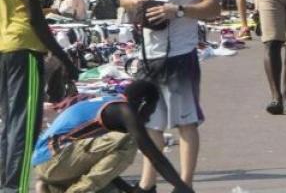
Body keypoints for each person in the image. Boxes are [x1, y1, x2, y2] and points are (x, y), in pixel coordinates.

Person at [116, 0, 219, 192]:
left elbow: (213, 7)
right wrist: (137, 1)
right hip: (149, 55)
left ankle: (184, 184)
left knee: (186, 123)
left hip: (180, 55)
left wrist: (179, 10)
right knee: (151, 125)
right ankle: (147, 184)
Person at [0, 0, 78, 193]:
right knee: (24, 126)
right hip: (25, 49)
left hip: (3, 46)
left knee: (9, 122)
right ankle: (16, 189)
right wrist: (64, 59)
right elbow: (35, 18)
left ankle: (6, 184)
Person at [32, 81, 194, 193]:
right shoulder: (123, 111)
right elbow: (154, 156)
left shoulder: (111, 104)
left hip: (51, 163)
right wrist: (182, 187)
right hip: (53, 161)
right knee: (130, 140)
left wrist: (127, 189)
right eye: (151, 109)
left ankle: (52, 187)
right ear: (143, 103)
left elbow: (104, 164)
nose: (149, 116)